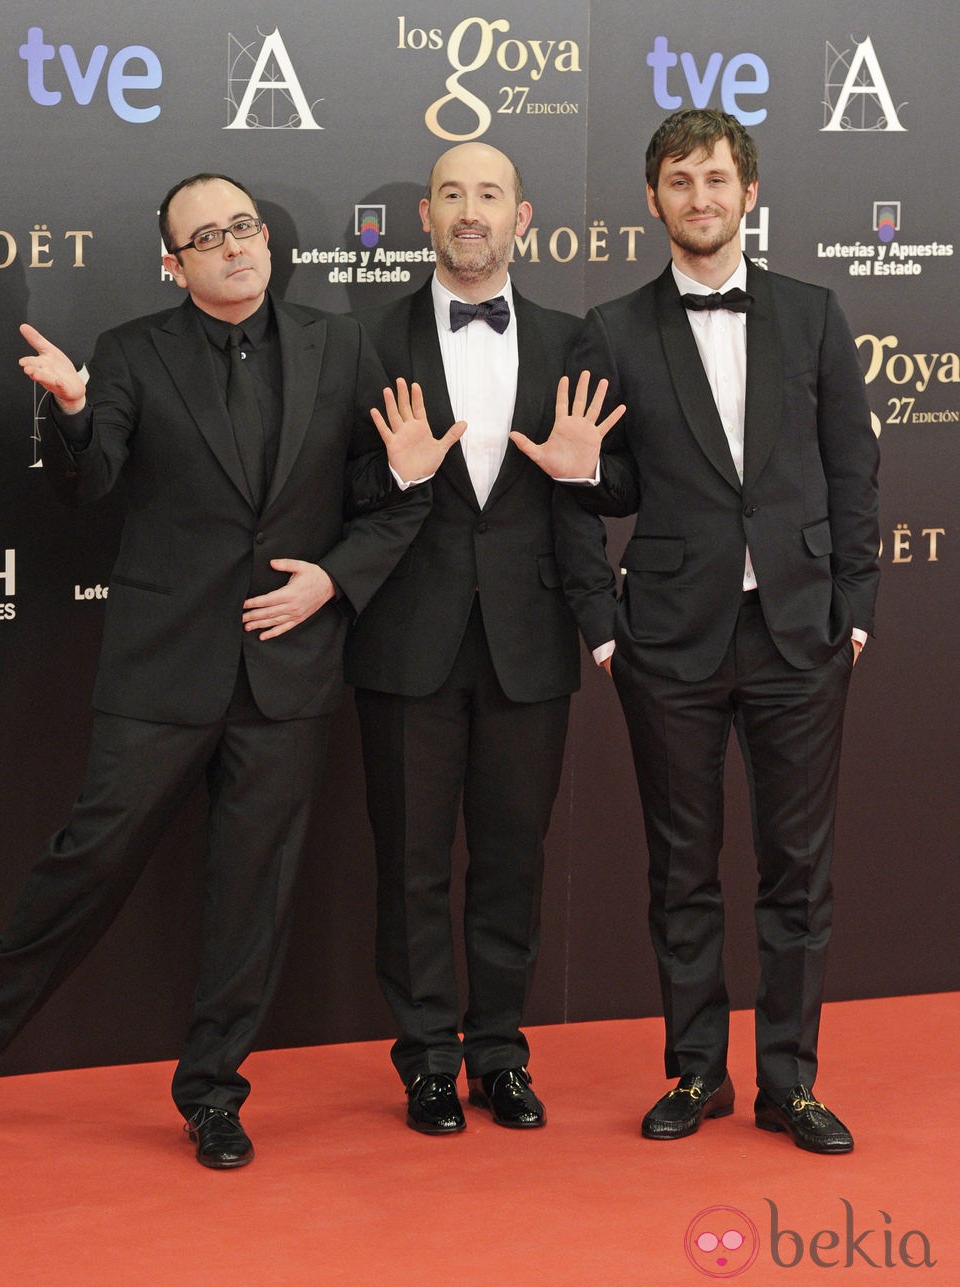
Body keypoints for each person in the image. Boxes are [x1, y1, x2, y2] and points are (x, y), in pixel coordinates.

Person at [0, 173, 433, 1168]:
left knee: (252, 895)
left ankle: (213, 1093)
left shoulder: (341, 347)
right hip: (162, 668)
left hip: (288, 667)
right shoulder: (134, 352)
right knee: (86, 862)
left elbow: (390, 499)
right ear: (171, 263)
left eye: (243, 227)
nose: (234, 246)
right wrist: (67, 410)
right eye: (207, 237)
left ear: (266, 238)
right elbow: (88, 484)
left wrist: (334, 578)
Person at [526, 110, 880, 1153]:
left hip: (796, 631)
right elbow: (585, 481)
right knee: (679, 868)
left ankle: (789, 1084)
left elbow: (851, 471)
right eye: (678, 181)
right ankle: (694, 1074)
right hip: (667, 639)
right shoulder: (614, 328)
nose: (699, 198)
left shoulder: (812, 313)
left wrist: (852, 611)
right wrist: (602, 628)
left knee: (795, 868)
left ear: (748, 192)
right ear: (650, 200)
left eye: (715, 179)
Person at [345, 142, 619, 1135]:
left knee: (511, 857)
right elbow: (337, 494)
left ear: (523, 217)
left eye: (489, 195)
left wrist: (588, 474)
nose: (470, 212)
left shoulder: (568, 337)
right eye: (452, 195)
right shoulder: (367, 340)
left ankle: (498, 1054)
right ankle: (424, 1061)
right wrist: (402, 477)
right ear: (424, 215)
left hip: (529, 638)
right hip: (404, 637)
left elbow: (603, 486)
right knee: (410, 862)